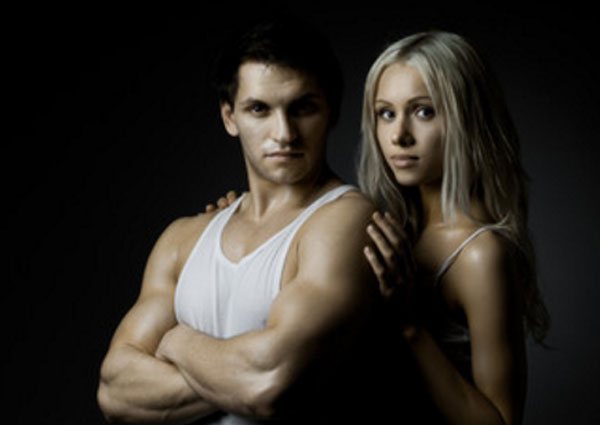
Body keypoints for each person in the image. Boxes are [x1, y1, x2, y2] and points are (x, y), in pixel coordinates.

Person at [97, 16, 381, 425]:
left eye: (302, 108)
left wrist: (179, 342)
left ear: (332, 110)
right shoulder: (183, 239)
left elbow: (270, 382)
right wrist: (235, 375)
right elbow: (115, 391)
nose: (284, 133)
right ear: (230, 117)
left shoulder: (346, 222)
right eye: (259, 109)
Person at [359, 31, 550, 424]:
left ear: (467, 119)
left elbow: (502, 421)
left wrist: (409, 326)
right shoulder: (392, 226)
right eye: (386, 113)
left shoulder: (480, 254)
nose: (399, 135)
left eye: (424, 111)